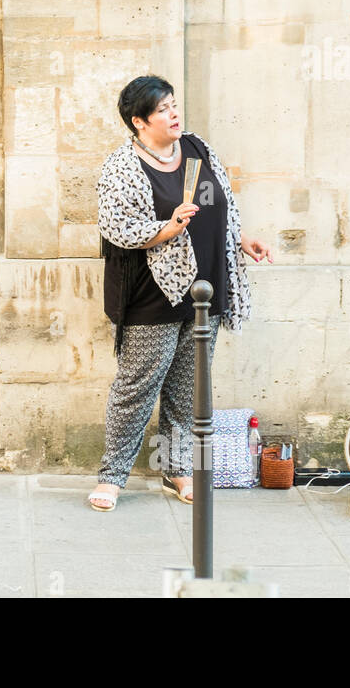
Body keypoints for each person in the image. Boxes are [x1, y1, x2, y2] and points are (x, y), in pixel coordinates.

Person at [89, 75, 273, 512]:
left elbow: (220, 204)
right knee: (137, 387)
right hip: (150, 293)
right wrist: (164, 230)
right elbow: (117, 228)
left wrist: (241, 238)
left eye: (174, 105)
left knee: (187, 387)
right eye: (163, 110)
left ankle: (178, 470)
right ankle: (112, 477)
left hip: (203, 286)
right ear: (138, 121)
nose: (174, 114)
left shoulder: (197, 148)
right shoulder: (123, 165)